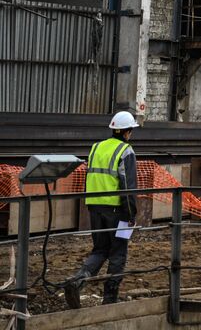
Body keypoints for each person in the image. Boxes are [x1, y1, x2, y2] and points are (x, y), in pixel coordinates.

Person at [64, 111, 139, 308]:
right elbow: (128, 186)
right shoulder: (126, 151)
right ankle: (110, 299)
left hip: (94, 207)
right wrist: (131, 214)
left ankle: (79, 280)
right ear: (126, 132)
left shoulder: (96, 147)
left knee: (100, 249)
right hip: (117, 211)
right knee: (118, 253)